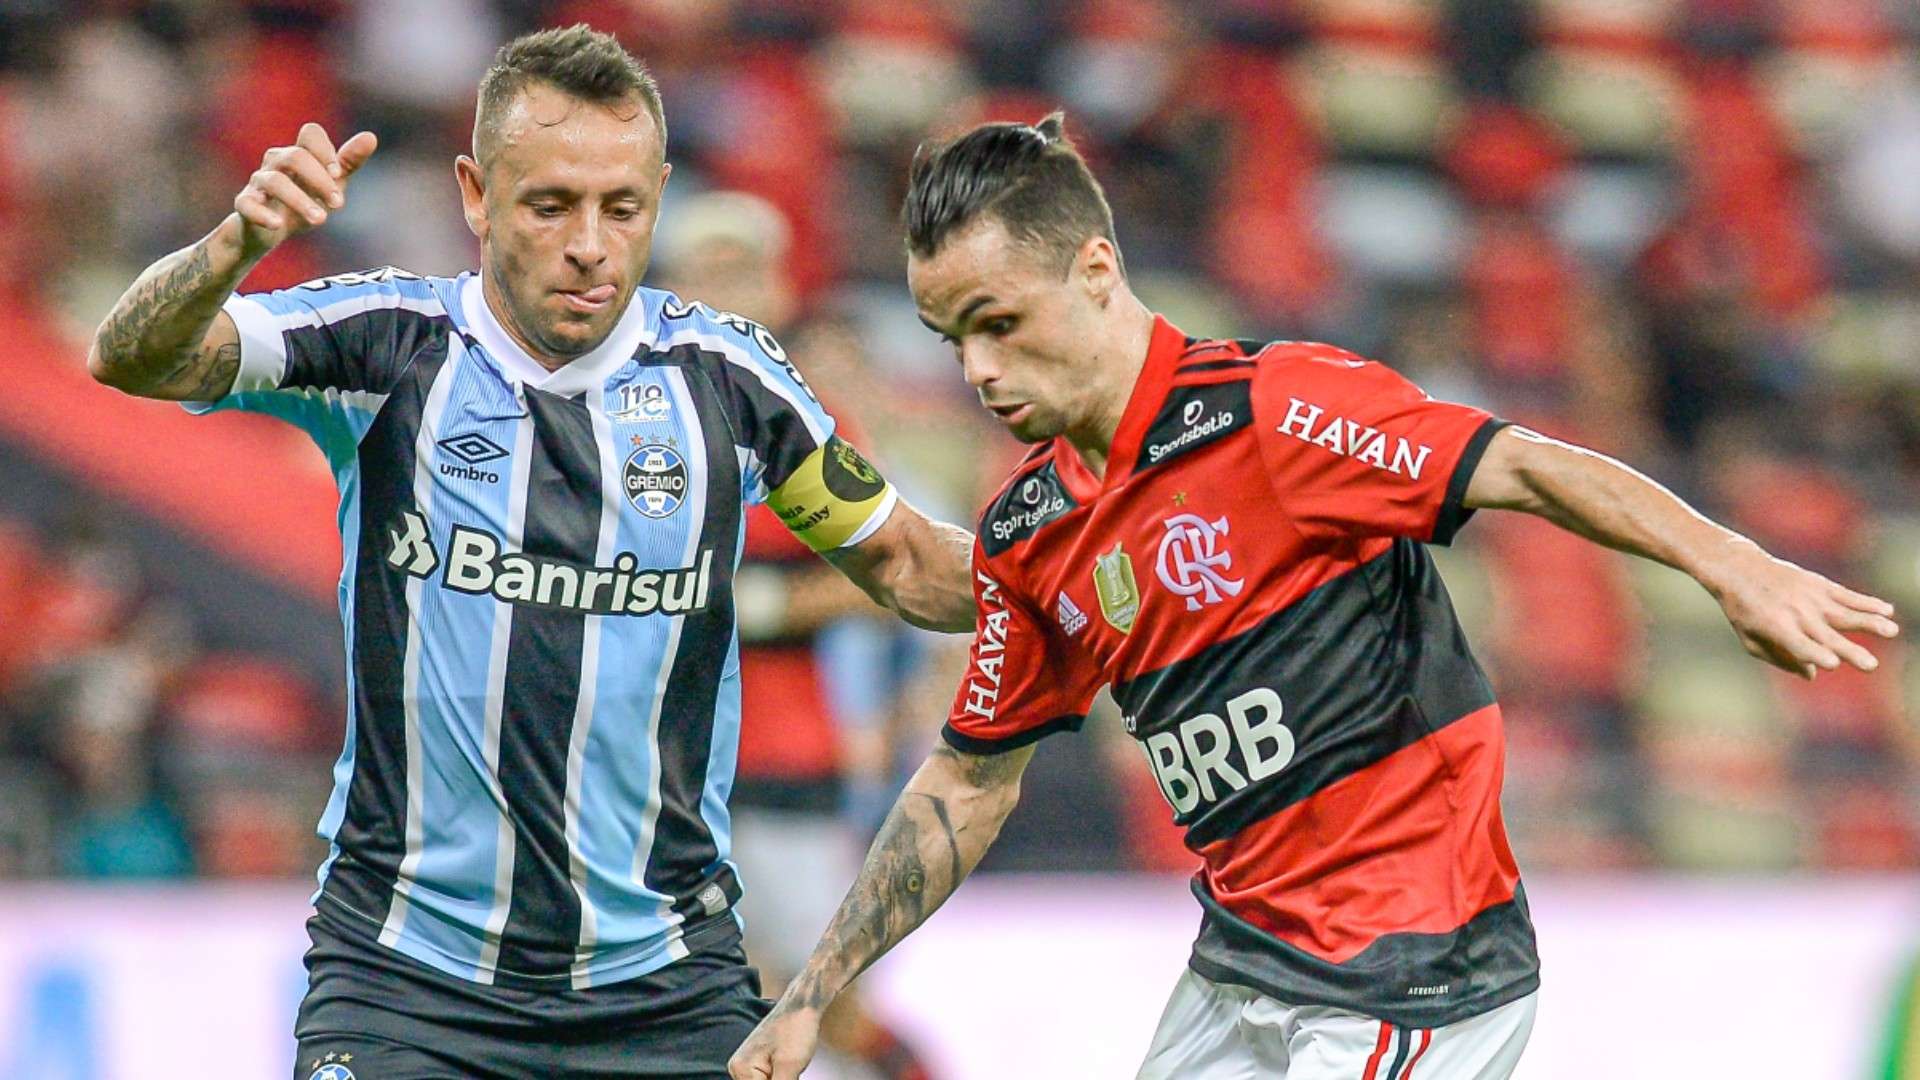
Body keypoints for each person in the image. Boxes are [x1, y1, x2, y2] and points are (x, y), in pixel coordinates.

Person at [729, 114, 1903, 1080]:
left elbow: (1528, 464)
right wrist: (814, 990)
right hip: (1244, 968)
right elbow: (968, 778)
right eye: (951, 339)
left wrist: (1733, 563)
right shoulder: (1037, 528)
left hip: (1414, 969)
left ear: (1095, 273)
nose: (979, 370)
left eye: (1000, 323)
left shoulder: (1278, 414)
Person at [85, 25, 974, 1080]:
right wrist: (233, 245)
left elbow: (910, 565)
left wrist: (1099, 565)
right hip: (407, 979)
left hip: (663, 985)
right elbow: (132, 356)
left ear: (661, 196)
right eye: (552, 204)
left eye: (622, 207)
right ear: (476, 192)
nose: (590, 244)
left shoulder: (731, 381)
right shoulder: (386, 345)